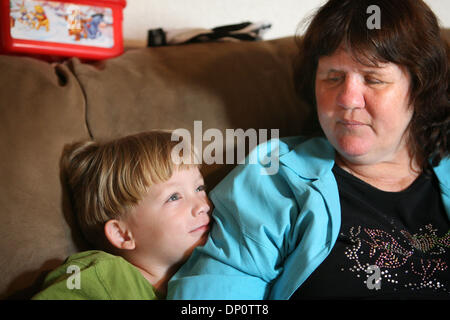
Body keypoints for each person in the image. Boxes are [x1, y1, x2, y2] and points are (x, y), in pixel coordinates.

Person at [168, 0, 450, 299]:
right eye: (333, 77)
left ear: (420, 89)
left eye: (373, 78)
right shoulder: (274, 177)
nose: (348, 99)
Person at [33, 131, 211, 299]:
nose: (202, 206)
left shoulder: (203, 272)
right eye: (174, 197)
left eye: (199, 188)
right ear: (122, 234)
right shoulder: (103, 275)